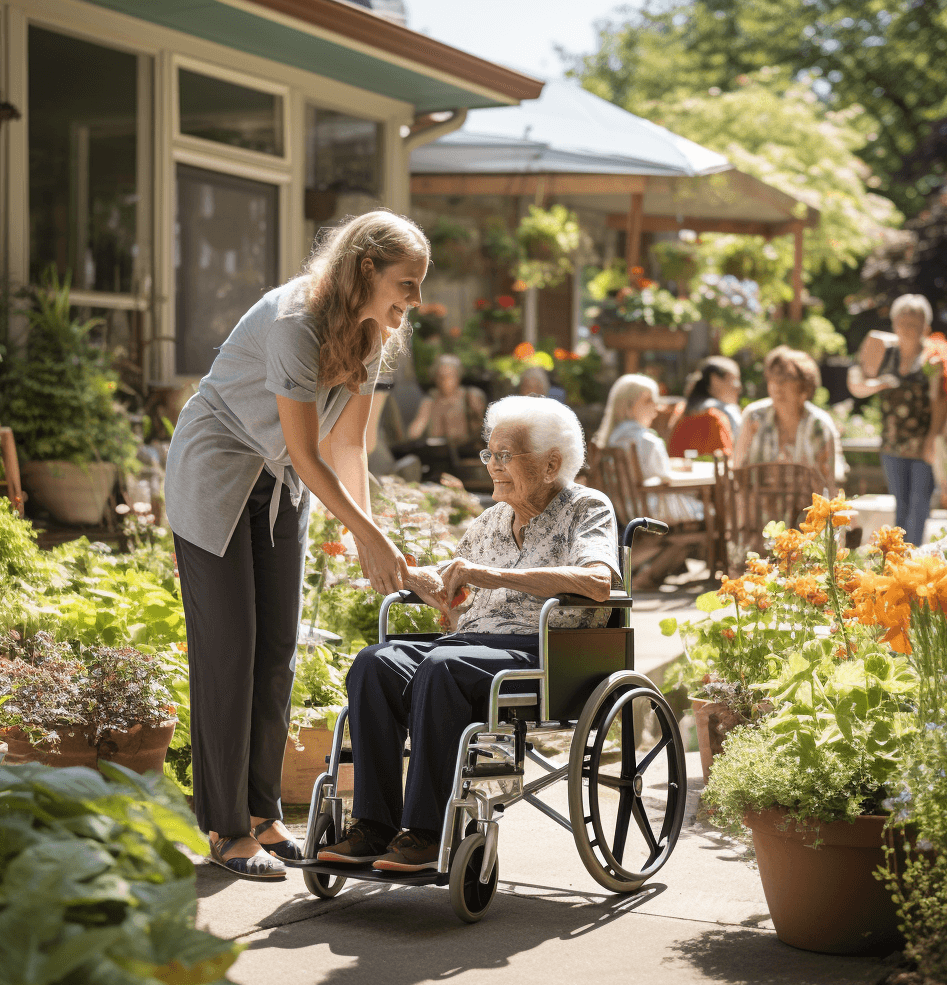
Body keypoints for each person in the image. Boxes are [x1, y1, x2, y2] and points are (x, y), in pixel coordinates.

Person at [165, 210, 446, 880]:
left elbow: (347, 445)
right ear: (368, 269)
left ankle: (262, 813)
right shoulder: (295, 321)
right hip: (217, 473)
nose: (415, 299)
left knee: (278, 651)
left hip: (282, 482)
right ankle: (227, 830)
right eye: (407, 284)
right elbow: (305, 450)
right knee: (228, 650)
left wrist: (377, 538)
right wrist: (364, 534)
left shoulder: (376, 332)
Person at [317, 396, 621, 871]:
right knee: (374, 663)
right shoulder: (488, 521)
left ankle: (426, 832)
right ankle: (374, 825)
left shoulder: (585, 507)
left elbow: (599, 582)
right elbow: (455, 588)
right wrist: (422, 582)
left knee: (442, 668)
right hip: (469, 647)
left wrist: (489, 576)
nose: (493, 466)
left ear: (550, 464)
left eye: (505, 455)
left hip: (543, 651)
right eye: (490, 454)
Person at [848, 294, 947, 544]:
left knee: (920, 504)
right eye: (903, 321)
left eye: (915, 322)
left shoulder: (932, 358)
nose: (908, 328)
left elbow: (941, 403)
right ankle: (897, 558)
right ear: (894, 323)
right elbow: (856, 384)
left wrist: (933, 438)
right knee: (900, 504)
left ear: (926, 326)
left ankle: (915, 555)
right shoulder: (885, 355)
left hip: (922, 445)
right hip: (892, 442)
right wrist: (878, 384)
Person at [593, 374, 703, 525]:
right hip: (653, 511)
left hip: (624, 511)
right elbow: (665, 478)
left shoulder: (612, 440)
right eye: (648, 400)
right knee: (708, 509)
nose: (656, 407)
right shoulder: (647, 440)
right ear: (628, 406)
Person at [735, 346, 845, 490]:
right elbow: (736, 468)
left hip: (807, 509)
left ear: (805, 387)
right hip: (756, 508)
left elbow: (832, 479)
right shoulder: (754, 415)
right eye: (773, 378)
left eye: (786, 379)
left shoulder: (819, 424)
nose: (777, 385)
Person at [668, 356, 742, 459]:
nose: (739, 387)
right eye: (734, 380)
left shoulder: (682, 409)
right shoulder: (722, 411)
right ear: (715, 379)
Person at [406, 354, 485, 444]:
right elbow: (414, 433)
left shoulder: (471, 396)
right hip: (439, 451)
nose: (444, 380)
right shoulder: (430, 401)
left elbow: (483, 429)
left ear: (457, 377)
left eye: (449, 376)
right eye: (440, 377)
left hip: (465, 450)